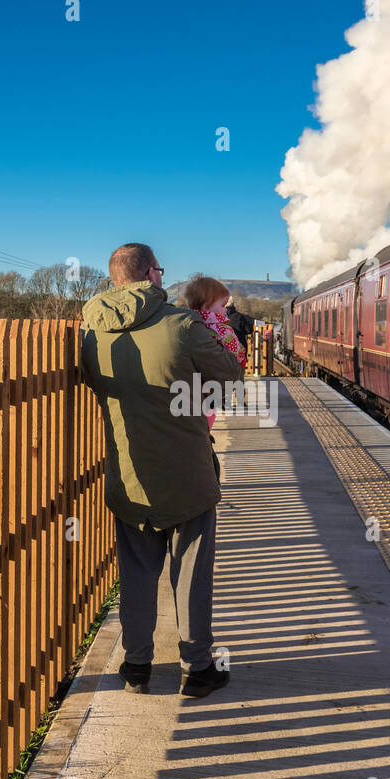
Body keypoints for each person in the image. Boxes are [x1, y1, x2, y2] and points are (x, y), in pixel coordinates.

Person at [79, 243, 244, 698]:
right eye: (160, 271)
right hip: (186, 474)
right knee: (190, 575)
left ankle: (136, 668)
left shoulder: (91, 333)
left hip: (129, 477)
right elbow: (230, 374)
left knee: (135, 574)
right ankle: (197, 669)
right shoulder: (182, 324)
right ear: (152, 274)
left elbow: (97, 383)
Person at [181, 275, 247, 429]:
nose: (225, 309)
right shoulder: (220, 328)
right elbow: (236, 352)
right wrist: (241, 358)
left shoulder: (187, 324)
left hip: (190, 386)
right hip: (212, 386)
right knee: (208, 417)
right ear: (206, 306)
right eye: (223, 305)